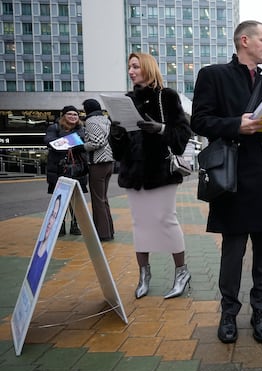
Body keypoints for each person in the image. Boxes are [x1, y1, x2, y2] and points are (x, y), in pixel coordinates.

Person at [191, 20, 262, 344]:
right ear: (244, 40)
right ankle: (228, 313)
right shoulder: (213, 75)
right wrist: (238, 125)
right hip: (232, 180)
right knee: (233, 252)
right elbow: (199, 121)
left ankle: (260, 311)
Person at [109, 52, 192, 300]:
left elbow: (183, 132)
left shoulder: (166, 96)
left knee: (166, 220)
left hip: (161, 171)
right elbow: (120, 151)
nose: (131, 71)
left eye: (136, 66)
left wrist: (162, 129)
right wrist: (116, 134)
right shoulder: (126, 100)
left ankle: (182, 272)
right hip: (133, 171)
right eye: (129, 67)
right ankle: (144, 275)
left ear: (147, 67)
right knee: (139, 223)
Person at [44, 105, 88, 236]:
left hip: (77, 169)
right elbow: (49, 141)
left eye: (75, 115)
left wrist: (61, 142)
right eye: (69, 114)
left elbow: (80, 141)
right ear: (63, 116)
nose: (73, 117)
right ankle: (59, 226)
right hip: (58, 169)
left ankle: (75, 225)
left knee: (76, 199)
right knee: (58, 199)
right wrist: (71, 140)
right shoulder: (54, 128)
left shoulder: (81, 128)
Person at [79, 98, 115, 242]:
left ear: (88, 109)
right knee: (104, 199)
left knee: (98, 200)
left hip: (98, 163)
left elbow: (97, 142)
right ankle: (109, 230)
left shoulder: (91, 121)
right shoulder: (106, 120)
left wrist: (81, 147)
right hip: (109, 163)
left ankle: (102, 234)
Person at [27, 194, 62, 296]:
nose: (50, 221)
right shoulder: (37, 248)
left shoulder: (45, 256)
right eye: (51, 214)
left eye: (55, 216)